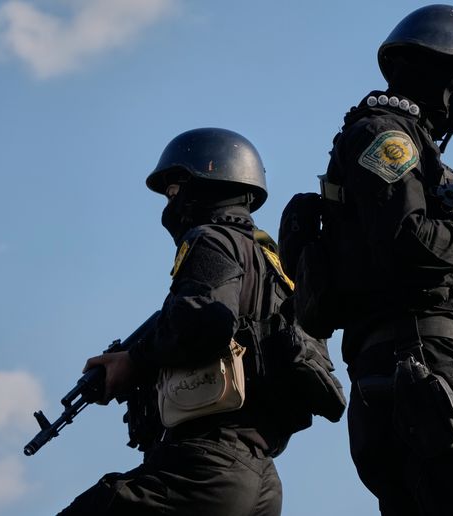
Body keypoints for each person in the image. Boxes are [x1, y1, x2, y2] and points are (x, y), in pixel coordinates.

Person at [308, 5, 453, 516]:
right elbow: (409, 241)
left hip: (414, 373)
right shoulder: (386, 134)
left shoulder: (409, 145)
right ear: (452, 76)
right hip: (426, 369)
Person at [59, 128, 287, 515]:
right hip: (258, 476)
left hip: (203, 468)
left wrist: (134, 361)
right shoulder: (270, 262)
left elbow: (204, 325)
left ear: (207, 183)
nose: (171, 203)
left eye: (175, 189)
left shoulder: (212, 240)